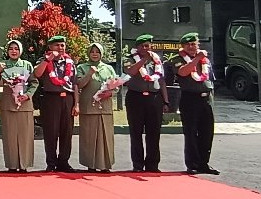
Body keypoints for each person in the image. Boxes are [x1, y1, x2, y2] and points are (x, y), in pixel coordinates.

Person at [171, 32, 219, 175]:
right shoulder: (178, 59)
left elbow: (210, 79)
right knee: (191, 132)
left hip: (206, 99)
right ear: (183, 46)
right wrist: (196, 59)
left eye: (194, 44)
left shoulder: (205, 60)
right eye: (188, 45)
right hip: (190, 98)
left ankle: (203, 163)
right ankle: (192, 164)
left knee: (207, 132)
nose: (191, 47)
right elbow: (183, 72)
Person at [33, 35, 79, 172]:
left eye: (62, 45)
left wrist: (76, 104)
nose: (60, 48)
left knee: (67, 131)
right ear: (50, 47)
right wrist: (48, 60)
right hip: (51, 98)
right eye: (57, 45)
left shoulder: (70, 62)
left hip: (68, 98)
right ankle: (51, 163)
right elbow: (37, 74)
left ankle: (64, 162)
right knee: (51, 132)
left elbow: (75, 84)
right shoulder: (44, 60)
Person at [124, 33, 169, 172]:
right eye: (143, 46)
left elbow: (161, 81)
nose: (145, 48)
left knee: (154, 133)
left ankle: (152, 164)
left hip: (154, 99)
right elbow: (130, 71)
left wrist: (166, 101)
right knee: (136, 132)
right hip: (136, 98)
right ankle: (138, 165)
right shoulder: (130, 59)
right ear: (137, 47)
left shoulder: (156, 61)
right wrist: (143, 60)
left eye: (148, 45)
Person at [76, 42, 120, 172]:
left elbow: (116, 85)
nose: (95, 54)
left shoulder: (108, 68)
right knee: (89, 137)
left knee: (106, 136)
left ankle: (105, 164)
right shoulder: (82, 67)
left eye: (97, 52)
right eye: (92, 51)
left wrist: (111, 93)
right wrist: (89, 74)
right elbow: (79, 84)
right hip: (89, 107)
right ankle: (91, 164)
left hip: (105, 107)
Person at [0, 40, 35, 173]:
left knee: (25, 135)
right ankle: (12, 164)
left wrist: (28, 95)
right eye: (11, 48)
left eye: (16, 48)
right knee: (10, 136)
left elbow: (34, 82)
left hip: (24, 104)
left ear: (20, 51)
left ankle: (24, 164)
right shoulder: (2, 65)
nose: (13, 51)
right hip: (8, 104)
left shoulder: (27, 65)